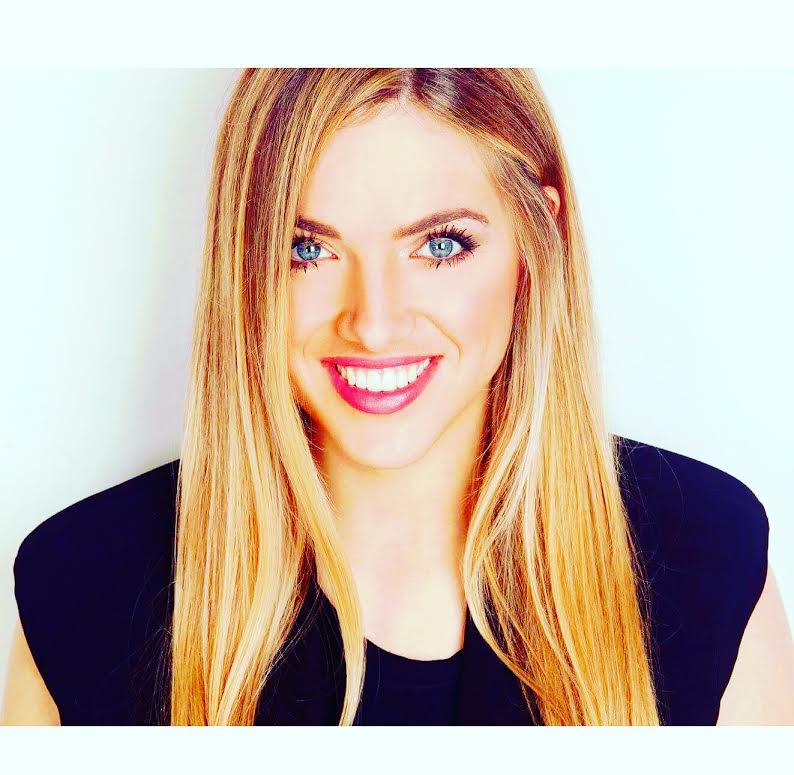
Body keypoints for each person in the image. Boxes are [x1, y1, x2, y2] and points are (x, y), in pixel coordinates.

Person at [3, 68, 794, 726]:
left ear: (537, 241)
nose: (374, 324)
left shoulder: (706, 551)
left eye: (439, 245)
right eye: (306, 249)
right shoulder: (85, 587)